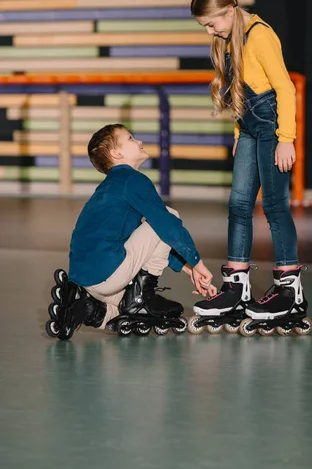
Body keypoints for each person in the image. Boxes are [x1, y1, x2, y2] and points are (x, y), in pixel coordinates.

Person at [189, 0, 308, 328]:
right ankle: (236, 286)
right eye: (205, 27)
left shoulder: (259, 35)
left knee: (273, 205)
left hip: (273, 132)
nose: (210, 31)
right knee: (239, 205)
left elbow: (284, 88)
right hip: (251, 132)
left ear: (229, 10)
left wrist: (287, 139)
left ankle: (289, 289)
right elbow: (241, 92)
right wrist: (239, 133)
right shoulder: (229, 40)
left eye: (212, 23)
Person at [55, 123, 216, 335]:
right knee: (169, 216)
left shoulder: (109, 187)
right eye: (131, 138)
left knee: (122, 312)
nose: (139, 141)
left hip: (89, 281)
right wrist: (197, 262)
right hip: (110, 274)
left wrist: (188, 268)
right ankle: (142, 298)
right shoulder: (133, 180)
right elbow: (165, 226)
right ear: (116, 153)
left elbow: (146, 242)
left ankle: (90, 310)